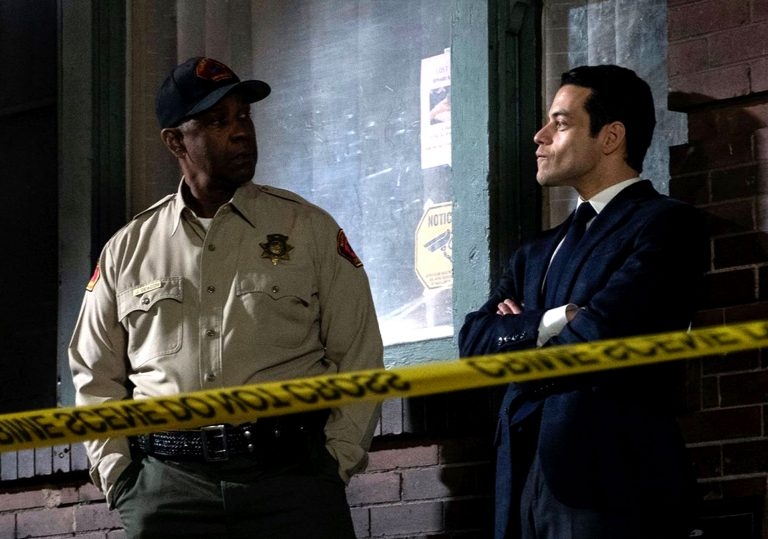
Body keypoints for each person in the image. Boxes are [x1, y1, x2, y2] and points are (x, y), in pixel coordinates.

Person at [69, 56, 384, 538]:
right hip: (170, 492)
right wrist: (122, 480)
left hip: (291, 480)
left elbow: (358, 355)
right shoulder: (127, 251)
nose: (240, 132)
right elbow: (95, 375)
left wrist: (333, 463)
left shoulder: (308, 229)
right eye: (218, 121)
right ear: (175, 141)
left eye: (244, 116)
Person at [459, 65, 708, 539]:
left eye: (560, 123)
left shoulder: (666, 225)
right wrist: (559, 318)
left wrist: (523, 341)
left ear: (611, 137)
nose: (539, 137)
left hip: (613, 483)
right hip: (521, 479)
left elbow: (603, 336)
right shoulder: (535, 253)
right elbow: (473, 342)